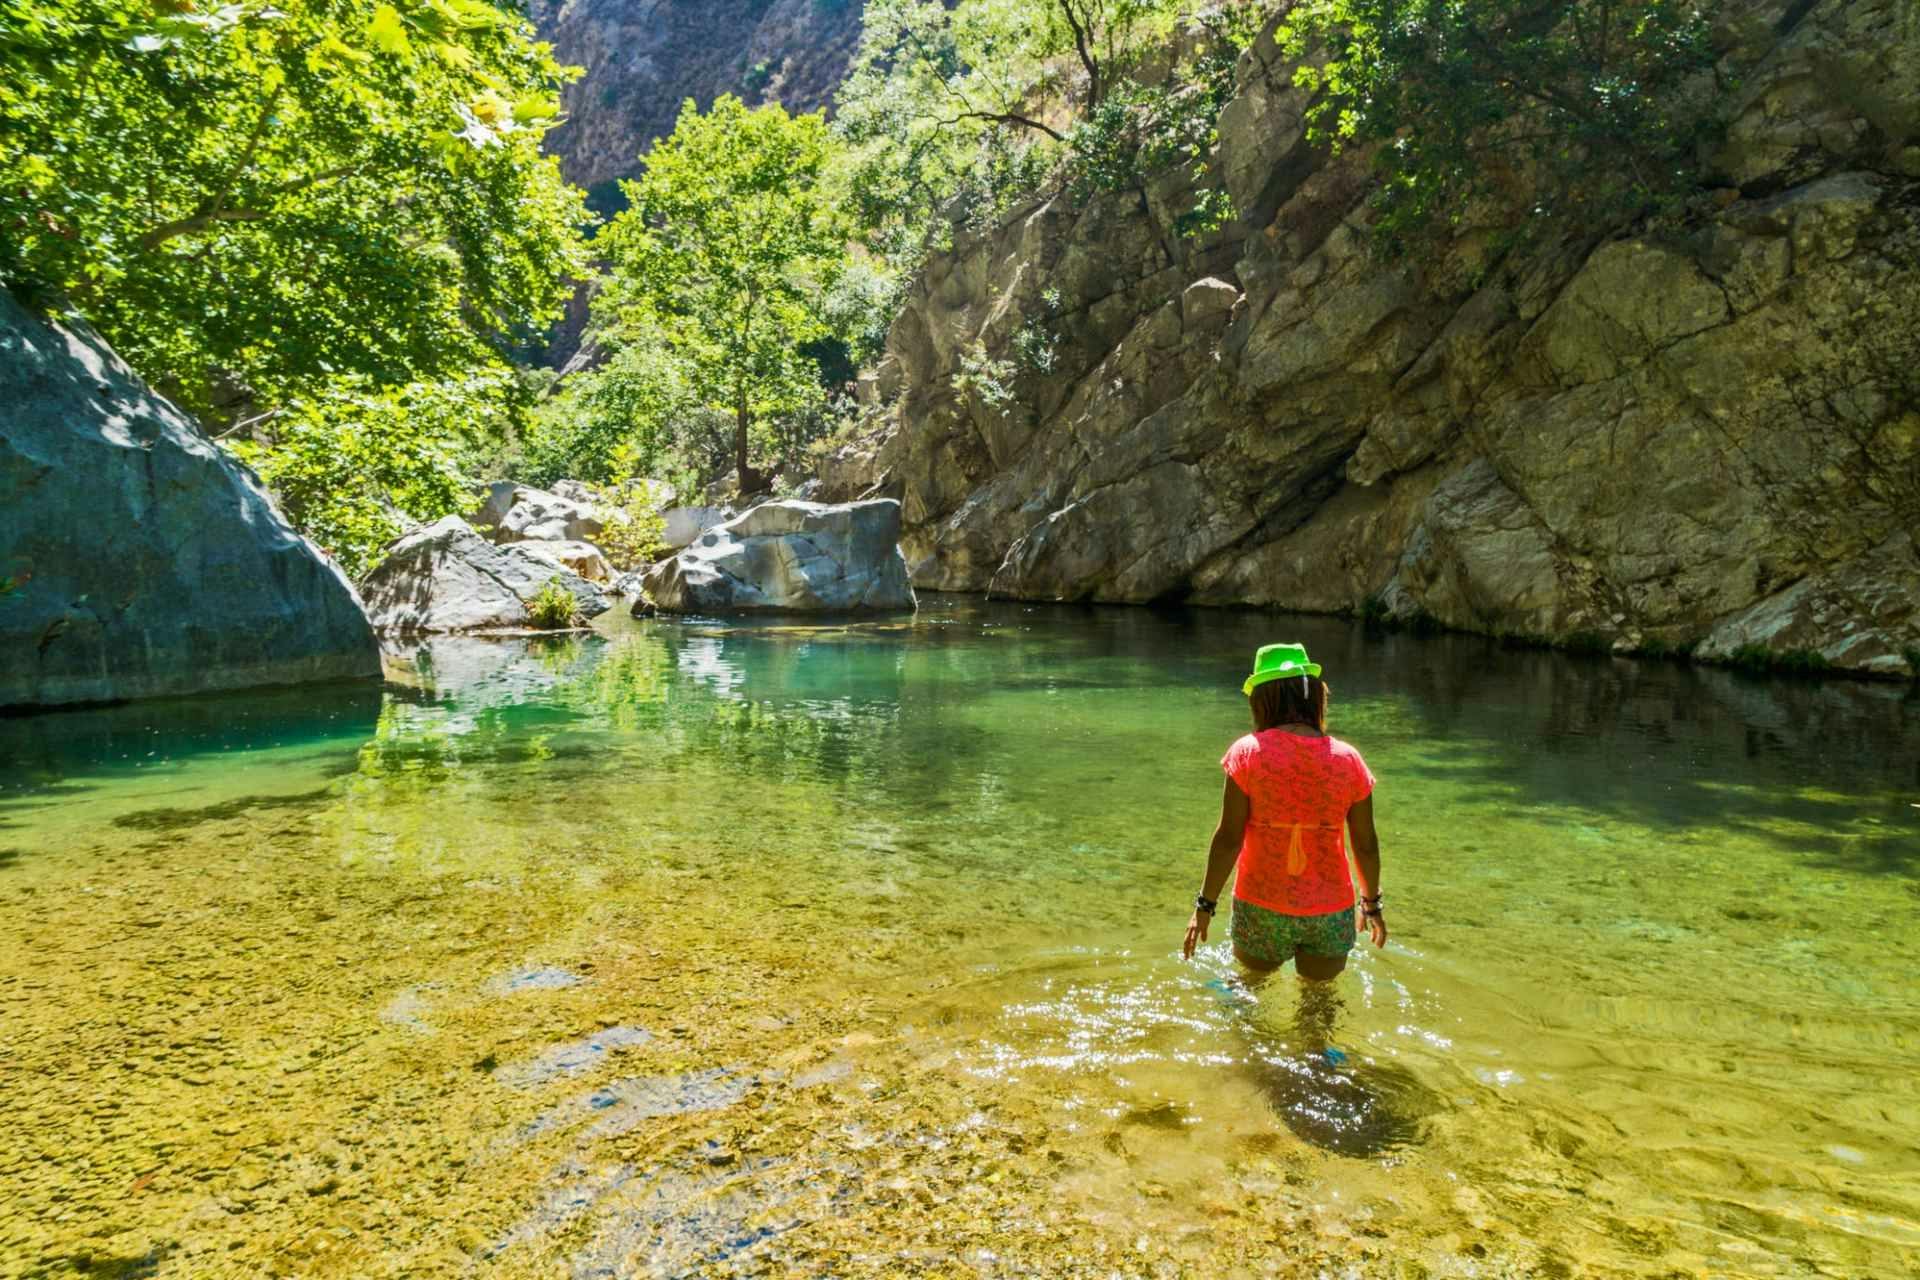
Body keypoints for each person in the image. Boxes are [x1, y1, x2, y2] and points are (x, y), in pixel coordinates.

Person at [1182, 643, 1386, 979]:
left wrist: (1204, 907)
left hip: (1262, 906)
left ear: (1261, 700)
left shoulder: (1247, 754)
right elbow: (1365, 844)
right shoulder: (1348, 760)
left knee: (1249, 996)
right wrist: (1372, 906)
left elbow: (1229, 838)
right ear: (1314, 697)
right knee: (1319, 1012)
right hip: (1329, 911)